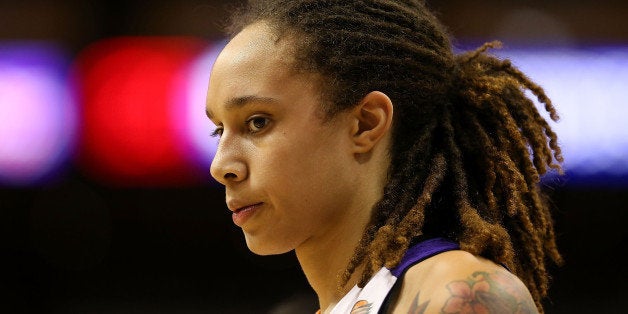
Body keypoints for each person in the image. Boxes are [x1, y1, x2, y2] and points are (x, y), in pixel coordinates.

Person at [205, 0, 564, 313]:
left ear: (365, 123)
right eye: (219, 130)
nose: (221, 166)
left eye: (257, 122)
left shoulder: (456, 295)